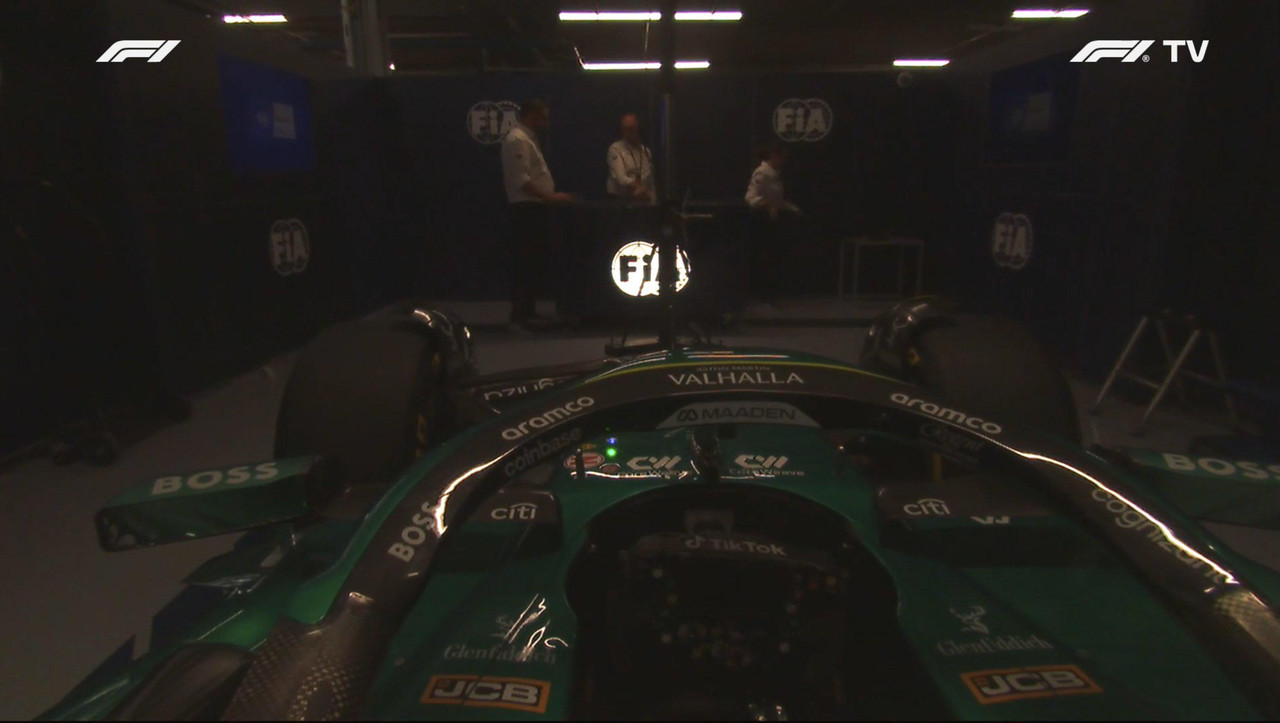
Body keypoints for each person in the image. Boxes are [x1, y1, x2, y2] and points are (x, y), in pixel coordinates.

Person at [500, 99, 575, 330]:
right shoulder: (517, 140)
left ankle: (528, 310)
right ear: (531, 115)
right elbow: (522, 181)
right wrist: (551, 197)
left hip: (535, 208)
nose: (546, 123)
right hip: (526, 210)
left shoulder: (529, 138)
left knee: (533, 263)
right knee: (524, 262)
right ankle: (519, 315)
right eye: (543, 117)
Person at [745, 143, 802, 303]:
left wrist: (793, 209)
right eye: (782, 157)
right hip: (762, 221)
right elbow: (751, 198)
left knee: (774, 258)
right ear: (774, 156)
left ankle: (772, 293)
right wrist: (768, 207)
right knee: (766, 258)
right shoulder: (762, 173)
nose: (784, 161)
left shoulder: (775, 175)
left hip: (774, 221)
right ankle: (764, 295)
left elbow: (777, 200)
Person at [606, 113, 656, 203]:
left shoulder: (646, 151)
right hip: (620, 201)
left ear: (638, 129)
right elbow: (621, 179)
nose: (629, 132)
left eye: (632, 129)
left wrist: (652, 199)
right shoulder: (616, 149)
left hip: (642, 201)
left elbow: (650, 181)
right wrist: (639, 189)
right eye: (626, 129)